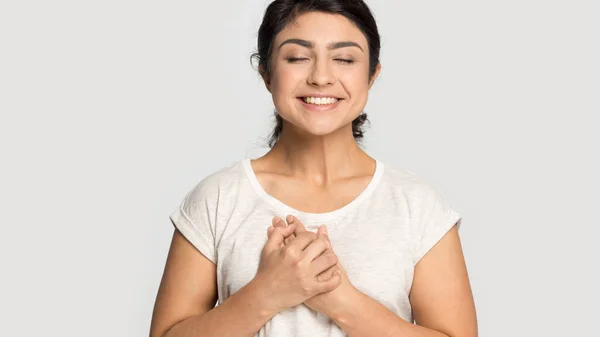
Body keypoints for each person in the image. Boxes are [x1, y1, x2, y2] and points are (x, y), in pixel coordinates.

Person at [150, 0, 477, 336]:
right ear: (265, 72)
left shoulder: (417, 206)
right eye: (297, 58)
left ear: (372, 74)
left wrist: (340, 300)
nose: (321, 77)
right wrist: (266, 293)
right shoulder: (217, 199)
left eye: (345, 59)